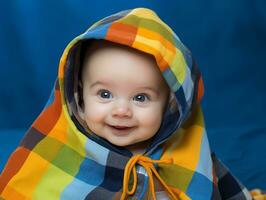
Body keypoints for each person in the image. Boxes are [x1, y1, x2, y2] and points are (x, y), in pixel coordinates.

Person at [0, 7, 261, 200]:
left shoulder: (188, 154)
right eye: (104, 94)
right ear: (78, 96)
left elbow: (222, 189)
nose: (121, 111)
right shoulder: (61, 152)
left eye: (141, 98)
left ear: (171, 106)